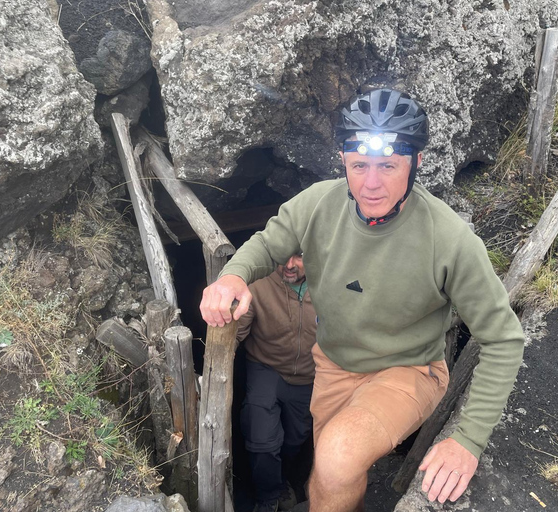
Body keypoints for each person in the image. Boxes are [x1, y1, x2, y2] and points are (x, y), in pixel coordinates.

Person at [200, 88, 525, 512]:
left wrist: (468, 439)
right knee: (330, 473)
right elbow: (267, 244)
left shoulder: (449, 240)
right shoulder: (318, 204)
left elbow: (503, 339)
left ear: (416, 163)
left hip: (408, 369)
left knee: (336, 458)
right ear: (344, 161)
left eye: (388, 165)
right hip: (333, 365)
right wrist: (232, 278)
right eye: (360, 166)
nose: (372, 183)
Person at [235, 253, 316, 512]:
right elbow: (232, 335)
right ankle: (268, 495)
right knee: (262, 439)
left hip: (310, 374)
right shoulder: (257, 283)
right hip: (266, 367)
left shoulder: (332, 282)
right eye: (283, 256)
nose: (289, 265)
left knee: (296, 438)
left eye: (300, 257)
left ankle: (283, 481)